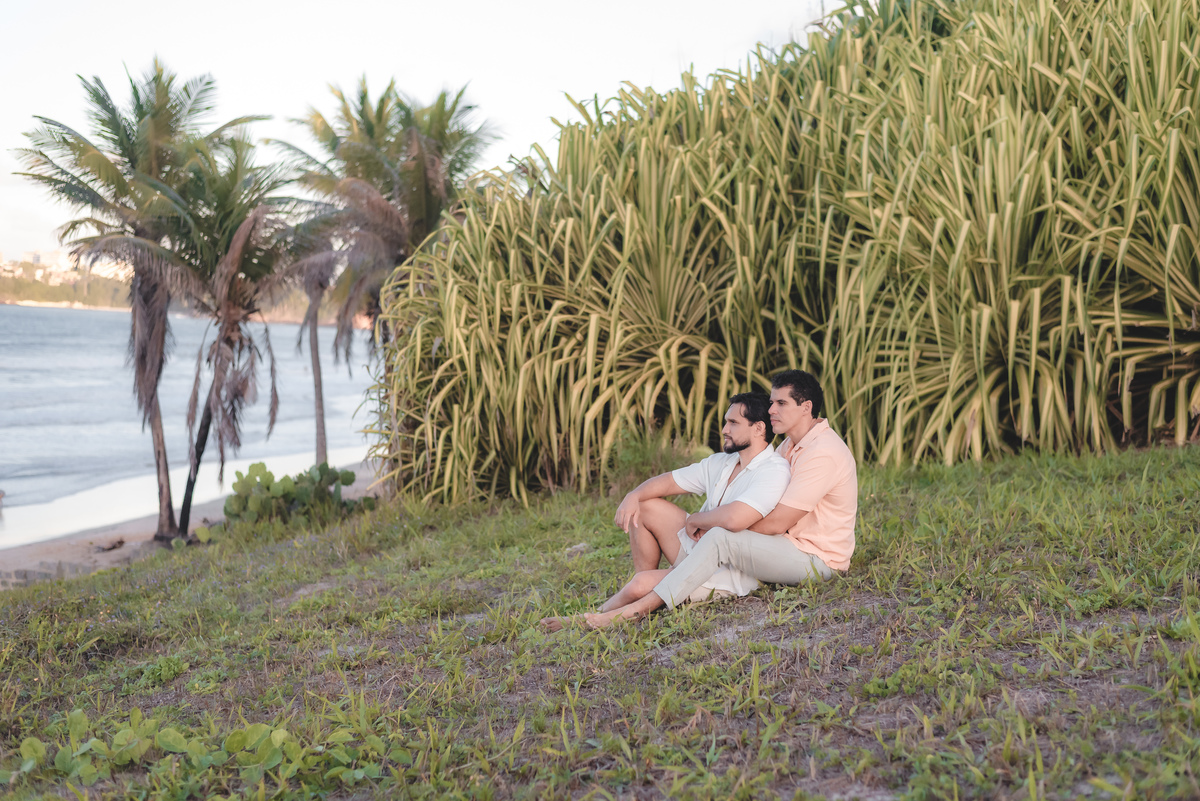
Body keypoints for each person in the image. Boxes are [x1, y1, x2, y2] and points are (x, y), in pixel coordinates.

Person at [575, 369, 858, 629]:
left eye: (781, 403)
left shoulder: (822, 451)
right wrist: (634, 494)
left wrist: (712, 523)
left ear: (806, 407)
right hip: (782, 546)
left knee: (721, 536)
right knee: (664, 515)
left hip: (816, 558)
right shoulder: (789, 445)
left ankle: (637, 609)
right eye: (771, 402)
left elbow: (776, 523)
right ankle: (653, 584)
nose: (771, 409)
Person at [540, 391, 791, 631]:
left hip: (729, 569)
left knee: (640, 584)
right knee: (645, 505)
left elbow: (737, 519)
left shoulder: (773, 469)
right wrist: (633, 495)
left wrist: (696, 519)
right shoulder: (722, 462)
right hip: (699, 548)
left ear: (758, 428)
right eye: (725, 422)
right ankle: (650, 585)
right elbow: (670, 481)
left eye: (733, 423)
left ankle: (586, 620)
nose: (724, 429)